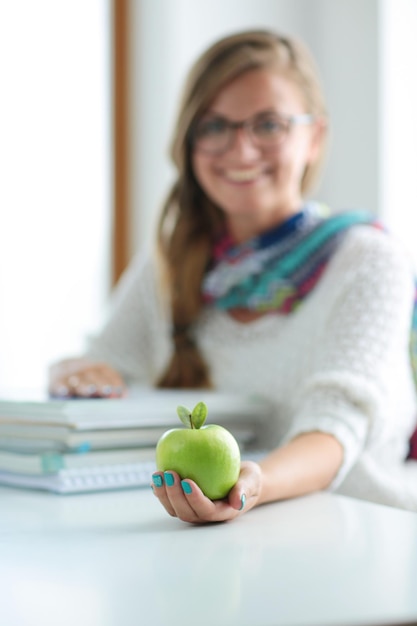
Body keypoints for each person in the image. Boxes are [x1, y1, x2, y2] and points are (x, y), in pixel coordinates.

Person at [49, 29, 417, 519]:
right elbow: (102, 365)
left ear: (315, 137)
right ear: (190, 142)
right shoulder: (171, 261)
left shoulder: (368, 259)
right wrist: (73, 374)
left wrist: (251, 486)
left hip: (364, 537)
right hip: (221, 552)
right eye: (216, 126)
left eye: (268, 125)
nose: (241, 151)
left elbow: (335, 427)